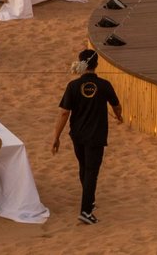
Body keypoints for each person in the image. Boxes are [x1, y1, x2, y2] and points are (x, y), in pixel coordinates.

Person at [52, 47, 122, 225]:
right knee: (91, 171)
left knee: (84, 167)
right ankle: (86, 211)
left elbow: (64, 113)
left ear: (81, 63)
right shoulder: (104, 85)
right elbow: (116, 105)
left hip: (78, 135)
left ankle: (88, 199)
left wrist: (56, 136)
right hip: (96, 135)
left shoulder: (73, 86)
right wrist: (119, 116)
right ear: (96, 64)